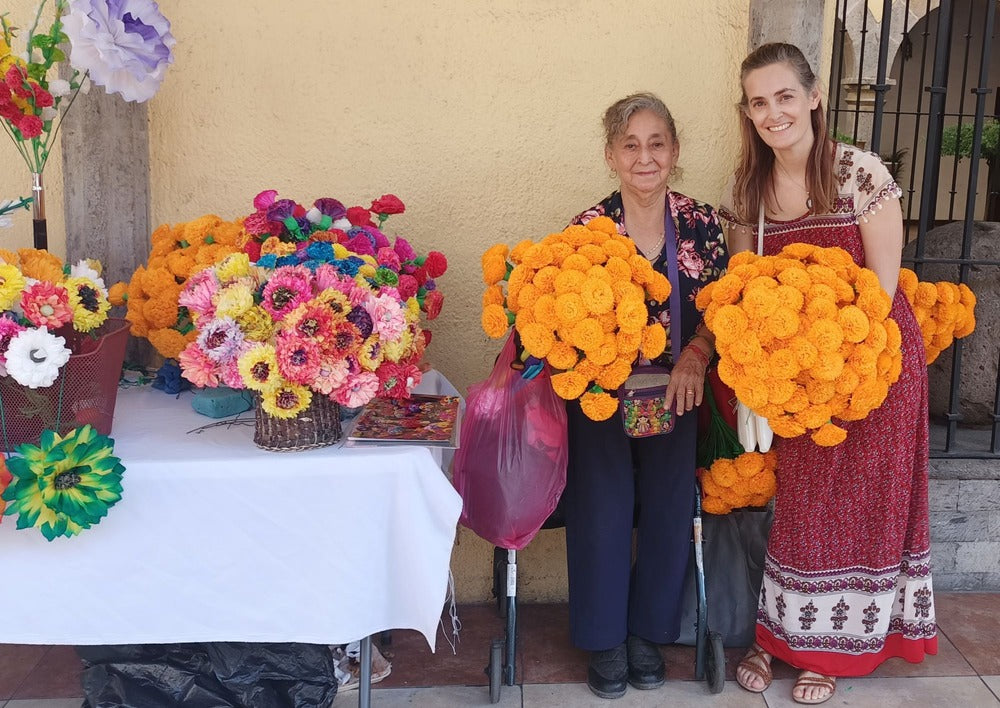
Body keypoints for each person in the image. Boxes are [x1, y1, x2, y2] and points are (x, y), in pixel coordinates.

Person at [718, 43, 937, 705]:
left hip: (874, 370)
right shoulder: (747, 188)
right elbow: (741, 291)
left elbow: (881, 289)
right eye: (759, 101)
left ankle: (832, 647)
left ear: (814, 97)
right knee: (798, 505)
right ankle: (778, 633)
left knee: (855, 509)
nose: (772, 112)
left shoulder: (860, 175)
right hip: (794, 381)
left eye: (785, 96)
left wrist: (839, 377)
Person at [564, 92, 728, 699]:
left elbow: (723, 305)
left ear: (675, 151)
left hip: (678, 390)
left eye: (657, 142)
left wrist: (695, 355)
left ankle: (646, 633)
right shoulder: (586, 231)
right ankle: (605, 637)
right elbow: (561, 323)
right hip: (603, 397)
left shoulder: (702, 225)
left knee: (666, 508)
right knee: (602, 509)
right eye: (630, 144)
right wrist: (602, 367)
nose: (644, 156)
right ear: (610, 155)